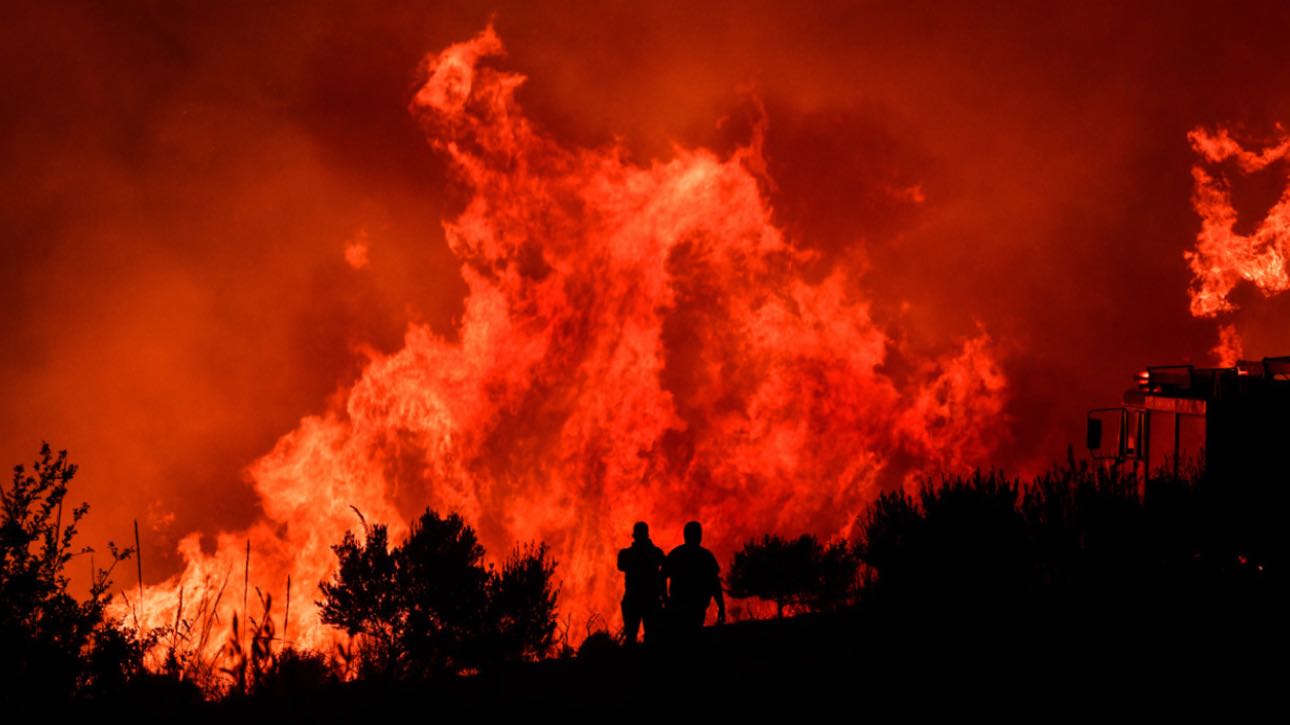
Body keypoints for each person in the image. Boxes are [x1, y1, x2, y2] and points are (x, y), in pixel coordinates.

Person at [664, 520, 725, 638]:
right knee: (694, 638)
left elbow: (660, 578)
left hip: (678, 605)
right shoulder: (706, 556)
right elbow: (715, 585)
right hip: (696, 606)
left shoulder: (676, 554)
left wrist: (665, 599)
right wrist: (721, 607)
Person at [617, 521, 666, 645]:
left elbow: (622, 565)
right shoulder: (656, 552)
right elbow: (664, 573)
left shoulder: (627, 554)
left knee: (632, 637)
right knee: (651, 638)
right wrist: (665, 597)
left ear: (634, 535)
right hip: (650, 599)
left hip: (636, 599)